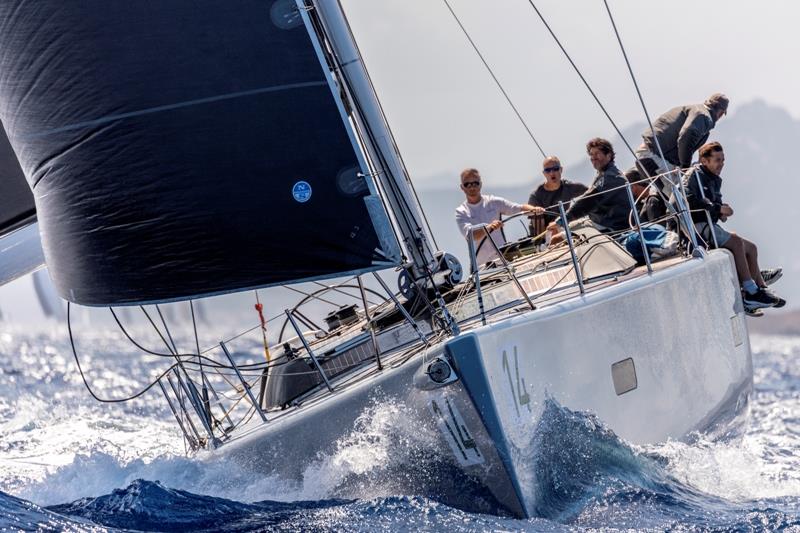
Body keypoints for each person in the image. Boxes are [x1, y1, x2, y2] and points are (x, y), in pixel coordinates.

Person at [683, 141, 785, 311]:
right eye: (717, 160)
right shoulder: (694, 176)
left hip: (708, 223)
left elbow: (714, 205)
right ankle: (751, 292)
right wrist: (718, 209)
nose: (721, 164)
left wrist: (721, 212)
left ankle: (761, 290)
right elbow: (689, 201)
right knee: (736, 242)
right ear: (704, 160)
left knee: (751, 248)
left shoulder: (713, 179)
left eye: (723, 160)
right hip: (694, 227)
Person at [632, 93, 730, 221]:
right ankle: (671, 233)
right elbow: (686, 135)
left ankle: (648, 225)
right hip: (654, 156)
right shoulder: (703, 116)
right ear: (721, 112)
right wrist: (685, 166)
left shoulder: (696, 110)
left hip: (654, 155)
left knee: (670, 192)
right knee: (678, 197)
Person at [455, 168, 543, 265]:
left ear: (480, 184)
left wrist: (534, 210)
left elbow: (517, 208)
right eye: (467, 184)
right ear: (462, 187)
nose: (472, 187)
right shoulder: (461, 212)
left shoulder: (493, 202)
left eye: (475, 183)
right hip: (481, 267)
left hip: (502, 260)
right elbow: (470, 235)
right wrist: (489, 227)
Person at [547, 138, 631, 235]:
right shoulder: (603, 174)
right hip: (600, 222)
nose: (593, 157)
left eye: (597, 153)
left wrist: (562, 220)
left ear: (609, 155)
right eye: (591, 154)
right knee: (557, 232)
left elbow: (588, 201)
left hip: (610, 227)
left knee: (557, 237)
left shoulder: (611, 177)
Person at [527, 156, 588, 238]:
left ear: (561, 170)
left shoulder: (569, 187)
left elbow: (592, 195)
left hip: (564, 231)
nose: (552, 173)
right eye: (548, 170)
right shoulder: (536, 196)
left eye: (555, 169)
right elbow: (540, 232)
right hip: (543, 238)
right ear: (544, 173)